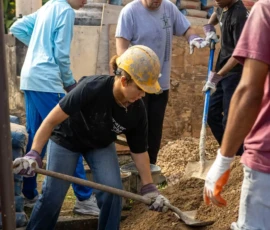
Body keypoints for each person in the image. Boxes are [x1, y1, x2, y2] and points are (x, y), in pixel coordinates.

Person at [13, 45, 170, 230]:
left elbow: (139, 151)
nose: (143, 95)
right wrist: (34, 153)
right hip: (67, 140)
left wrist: (149, 187)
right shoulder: (91, 88)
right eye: (140, 89)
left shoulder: (137, 110)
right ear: (125, 80)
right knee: (52, 197)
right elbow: (49, 121)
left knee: (113, 193)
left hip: (99, 144)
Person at [9, 0, 100, 216]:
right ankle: (84, 198)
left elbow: (16, 27)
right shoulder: (65, 11)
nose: (86, 1)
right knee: (70, 136)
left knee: (34, 136)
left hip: (30, 78)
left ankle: (29, 193)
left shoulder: (48, 6)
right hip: (47, 81)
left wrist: (40, 49)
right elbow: (60, 55)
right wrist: (70, 84)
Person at [115, 0, 208, 165]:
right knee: (137, 128)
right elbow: (121, 49)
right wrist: (130, 77)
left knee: (155, 129)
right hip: (139, 84)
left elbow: (185, 28)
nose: (157, 1)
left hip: (160, 85)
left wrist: (192, 37)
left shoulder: (169, 9)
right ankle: (136, 168)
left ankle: (150, 168)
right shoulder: (130, 12)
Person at [204, 1, 270, 229]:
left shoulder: (260, 12)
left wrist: (223, 160)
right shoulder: (223, 9)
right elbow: (214, 16)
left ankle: (237, 154)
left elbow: (250, 92)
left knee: (228, 117)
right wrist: (208, 28)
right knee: (214, 115)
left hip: (265, 160)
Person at [202, 0, 249, 155]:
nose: (216, 0)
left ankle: (238, 156)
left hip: (236, 73)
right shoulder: (222, 5)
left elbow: (239, 54)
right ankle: (228, 152)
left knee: (230, 120)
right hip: (222, 67)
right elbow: (216, 13)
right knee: (211, 113)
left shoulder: (239, 16)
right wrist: (209, 28)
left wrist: (217, 76)